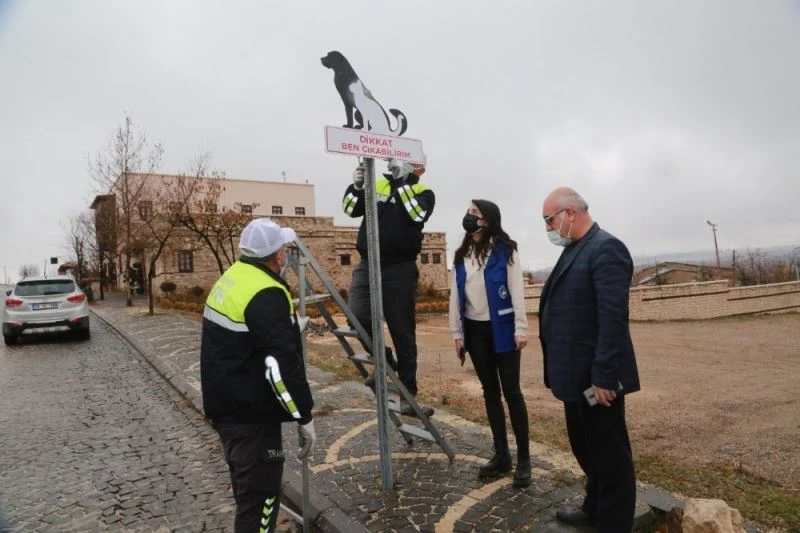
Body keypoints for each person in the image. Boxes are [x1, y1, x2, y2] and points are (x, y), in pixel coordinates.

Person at [200, 218, 315, 533]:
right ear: (277, 256)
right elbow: (279, 369)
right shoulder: (266, 292)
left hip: (228, 409)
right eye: (285, 250)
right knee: (260, 500)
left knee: (247, 490)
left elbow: (248, 336)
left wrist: (287, 328)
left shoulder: (235, 276)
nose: (287, 255)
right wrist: (304, 416)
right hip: (252, 421)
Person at [538, 187, 640, 531]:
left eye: (549, 219)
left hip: (597, 380)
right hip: (574, 378)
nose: (547, 228)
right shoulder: (575, 249)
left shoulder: (606, 248)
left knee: (612, 460)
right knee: (588, 450)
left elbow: (612, 319)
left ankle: (613, 523)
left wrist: (605, 377)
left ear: (569, 214)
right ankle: (594, 508)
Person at [448, 200, 532, 487]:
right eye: (468, 211)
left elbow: (516, 290)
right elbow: (455, 296)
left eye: (475, 213)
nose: (469, 217)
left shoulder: (506, 250)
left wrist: (521, 328)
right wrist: (457, 334)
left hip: (503, 329)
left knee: (511, 391)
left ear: (488, 220)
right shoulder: (462, 254)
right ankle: (501, 454)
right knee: (490, 392)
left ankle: (524, 459)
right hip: (474, 331)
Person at [342, 157, 435, 415]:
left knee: (402, 330)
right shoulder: (378, 185)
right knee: (357, 315)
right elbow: (350, 209)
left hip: (400, 268)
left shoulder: (424, 192)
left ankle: (408, 397)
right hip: (368, 263)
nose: (403, 163)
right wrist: (357, 187)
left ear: (421, 169)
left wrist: (401, 182)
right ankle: (384, 360)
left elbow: (416, 215)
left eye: (411, 161)